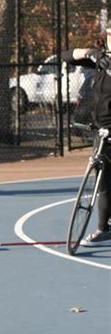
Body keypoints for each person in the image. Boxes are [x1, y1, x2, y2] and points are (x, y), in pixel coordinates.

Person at [63, 23, 111, 244]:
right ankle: (104, 228)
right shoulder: (100, 58)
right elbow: (66, 56)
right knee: (103, 179)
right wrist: (90, 53)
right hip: (101, 128)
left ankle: (103, 227)